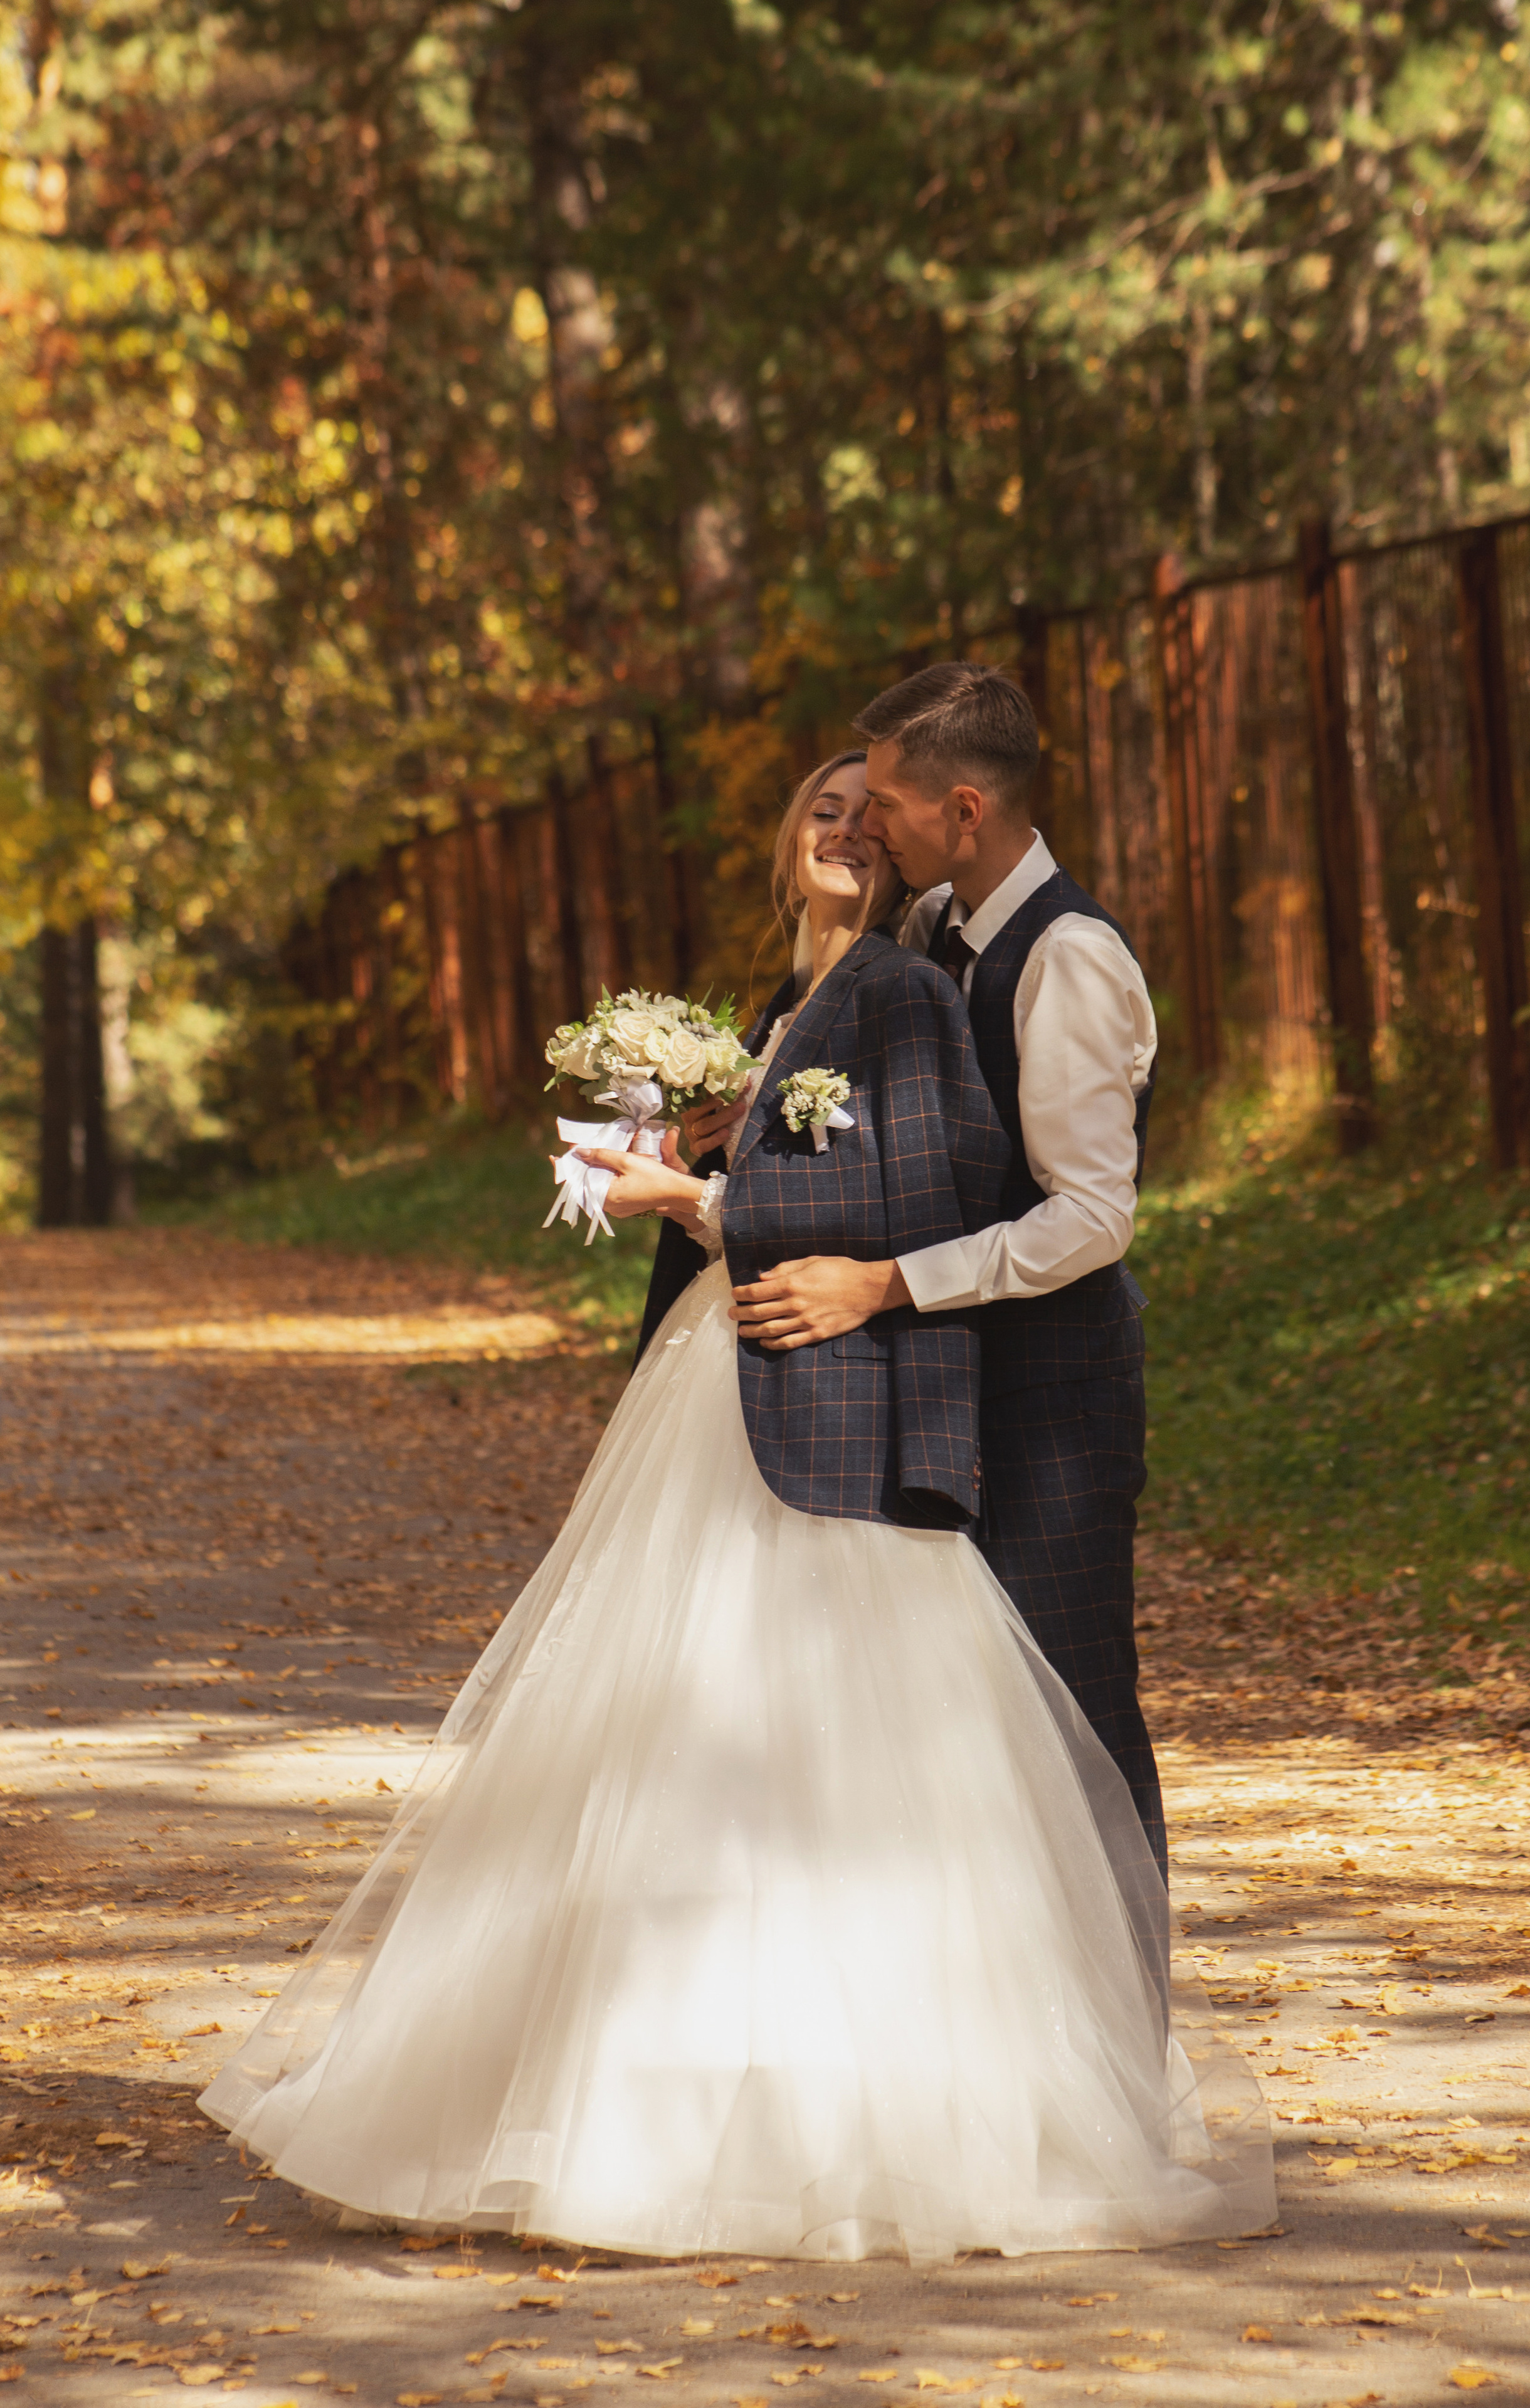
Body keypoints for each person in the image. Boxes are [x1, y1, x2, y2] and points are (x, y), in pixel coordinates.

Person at [198, 752, 1272, 2263]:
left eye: (863, 811)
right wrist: (687, 1147)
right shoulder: (776, 1016)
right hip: (720, 1402)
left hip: (820, 1407)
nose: (841, 829)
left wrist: (689, 1202)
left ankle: (873, 2118)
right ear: (785, 844)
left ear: (906, 845)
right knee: (665, 1749)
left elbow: (919, 1206)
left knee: (828, 1754)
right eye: (817, 809)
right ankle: (653, 2094)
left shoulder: (897, 996)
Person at [719, 668, 1168, 1876]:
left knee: (1074, 1717)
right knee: (966, 1726)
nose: (865, 826)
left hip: (1053, 1400)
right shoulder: (931, 931)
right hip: (941, 1390)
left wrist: (885, 1284)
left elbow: (1089, 1219)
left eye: (887, 807)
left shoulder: (1067, 957)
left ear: (963, 812)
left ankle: (1125, 2037)